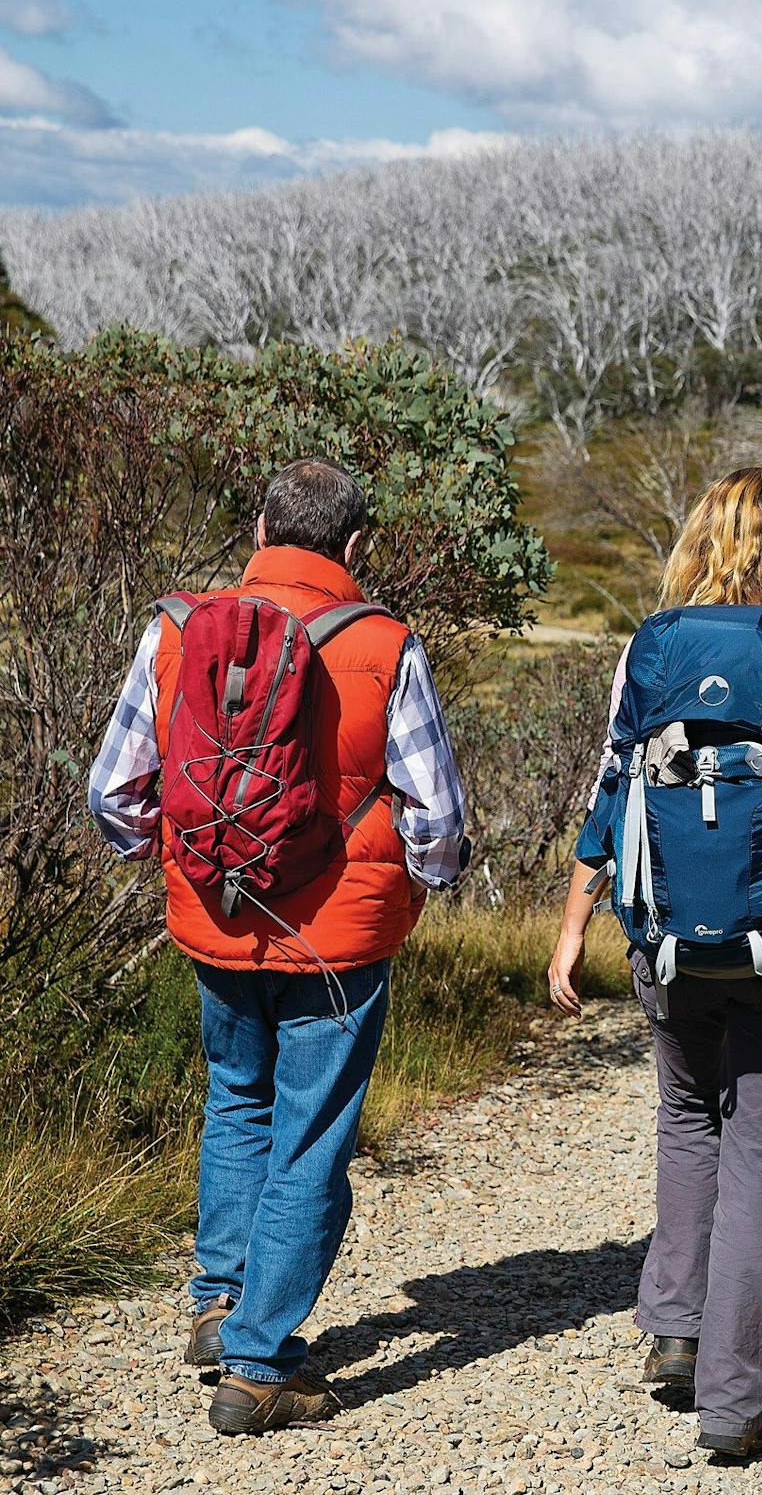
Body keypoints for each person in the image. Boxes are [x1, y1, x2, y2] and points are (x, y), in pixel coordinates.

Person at [88, 457, 468, 1435]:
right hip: (337, 944)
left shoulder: (175, 630)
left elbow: (112, 795)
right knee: (311, 1140)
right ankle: (259, 1369)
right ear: (353, 548)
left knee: (238, 1102)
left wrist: (171, 859)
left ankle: (219, 1303)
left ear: (259, 530)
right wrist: (420, 886)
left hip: (214, 920)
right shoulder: (384, 643)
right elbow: (437, 816)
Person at [546, 465, 762, 1458]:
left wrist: (575, 924)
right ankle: (734, 1403)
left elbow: (612, 789)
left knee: (686, 1118)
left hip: (662, 938)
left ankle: (673, 1325)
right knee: (760, 1154)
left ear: (698, 541)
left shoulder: (651, 647)